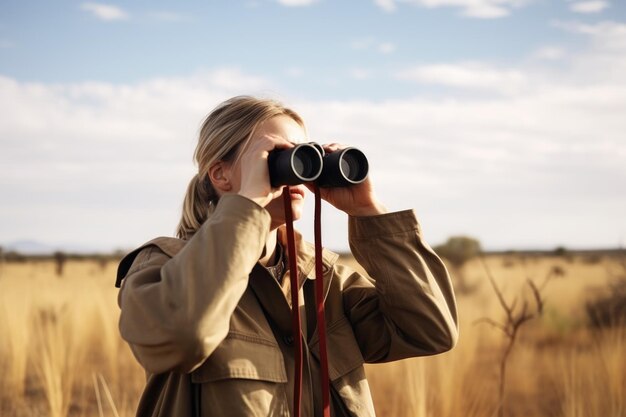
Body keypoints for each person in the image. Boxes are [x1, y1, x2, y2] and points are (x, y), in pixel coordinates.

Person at [116, 96, 458, 417]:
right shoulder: (163, 267)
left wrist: (368, 210)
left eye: (305, 156)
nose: (298, 171)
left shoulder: (324, 279)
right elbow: (182, 337)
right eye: (278, 157)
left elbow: (430, 331)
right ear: (220, 174)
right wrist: (249, 202)